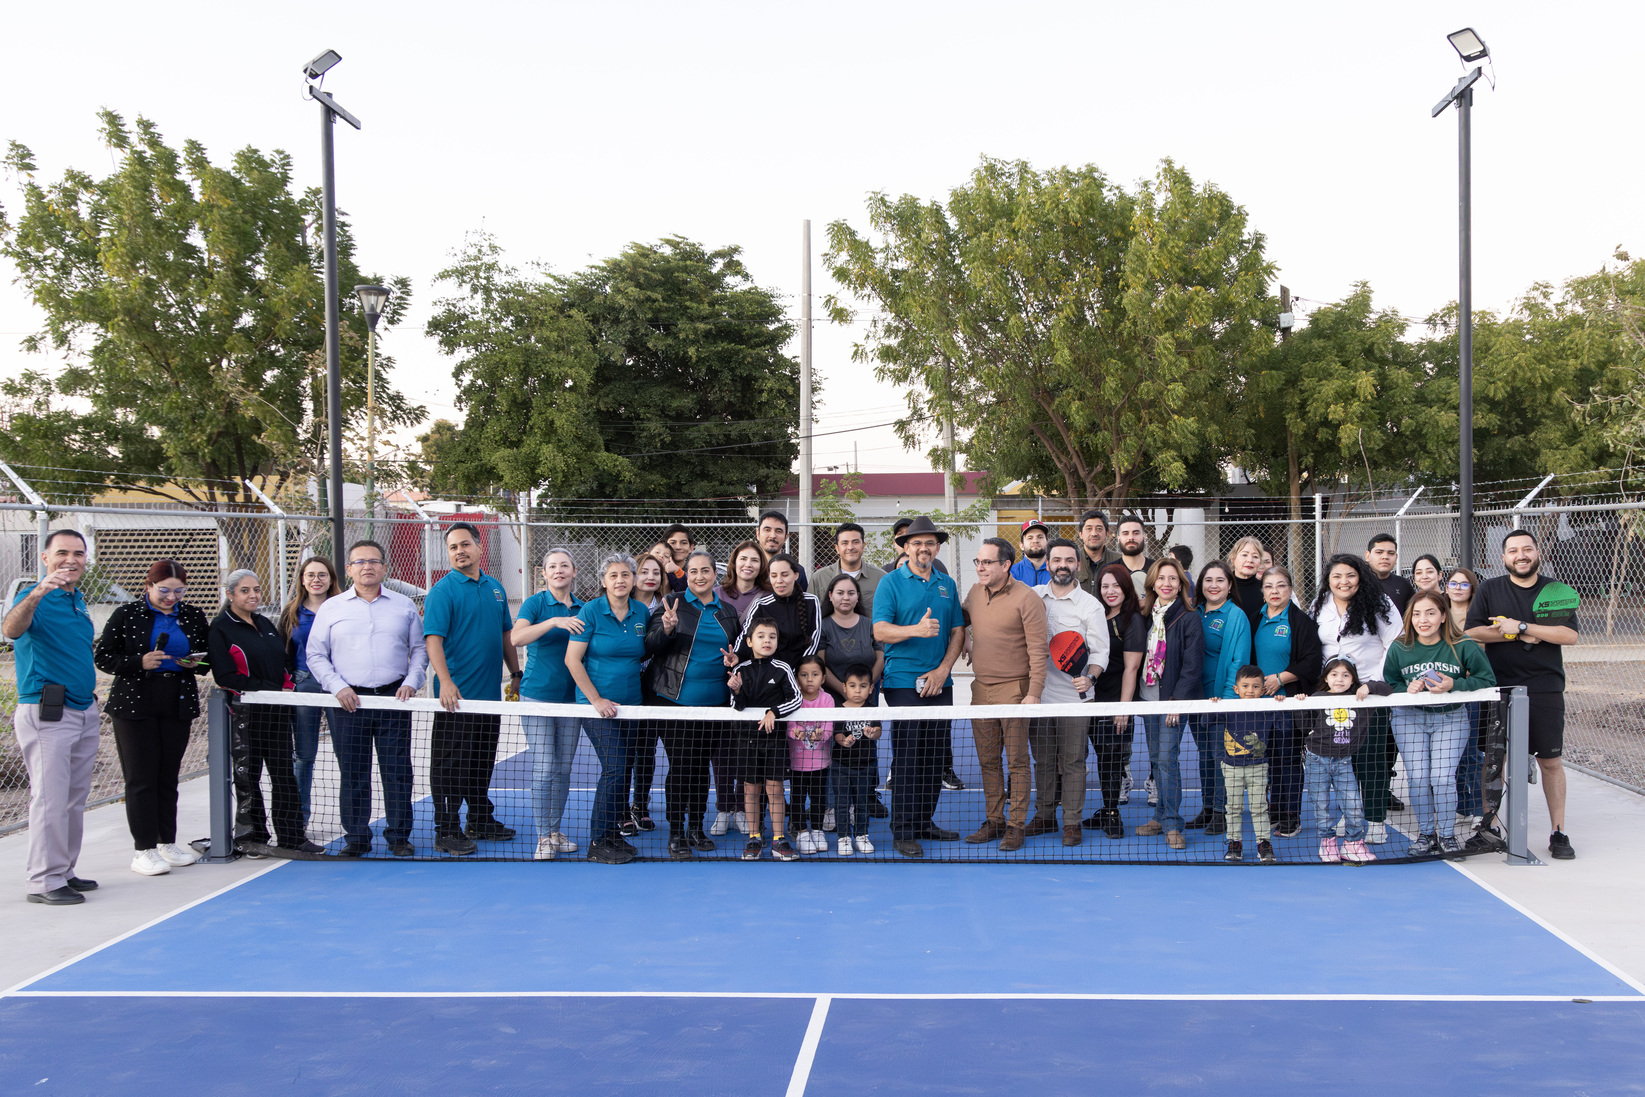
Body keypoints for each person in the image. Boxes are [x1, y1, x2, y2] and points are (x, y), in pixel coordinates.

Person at [305, 540, 427, 858]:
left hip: (393, 700)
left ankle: (399, 836)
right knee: (353, 771)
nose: (367, 566)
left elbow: (419, 651)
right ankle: (357, 838)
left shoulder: (403, 606)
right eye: (359, 562)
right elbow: (315, 654)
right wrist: (338, 688)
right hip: (348, 703)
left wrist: (412, 683)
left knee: (397, 770)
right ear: (348, 570)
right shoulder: (332, 608)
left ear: (384, 568)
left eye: (373, 561)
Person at [1465, 529, 1579, 860]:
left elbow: (1568, 635)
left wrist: (1525, 627)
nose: (1521, 555)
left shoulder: (1555, 591)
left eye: (1527, 549)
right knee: (1493, 761)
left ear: (1537, 553)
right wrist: (1517, 635)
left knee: (1551, 761)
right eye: (1513, 550)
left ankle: (1558, 831)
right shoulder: (1489, 589)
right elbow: (1472, 632)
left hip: (1544, 686)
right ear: (1504, 558)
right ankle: (1491, 827)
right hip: (1498, 686)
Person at [94, 559, 211, 877]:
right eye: (164, 591)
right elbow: (103, 656)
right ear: (148, 587)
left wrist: (194, 664)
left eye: (179, 591)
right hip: (135, 705)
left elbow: (206, 660)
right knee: (141, 778)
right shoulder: (127, 615)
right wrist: (138, 662)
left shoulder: (193, 615)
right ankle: (143, 849)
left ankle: (166, 842)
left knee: (167, 777)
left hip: (177, 702)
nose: (171, 597)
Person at [7, 530, 102, 903]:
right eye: (62, 552)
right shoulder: (35, 597)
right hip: (48, 711)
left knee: (73, 798)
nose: (71, 559)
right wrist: (36, 592)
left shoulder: (76, 599)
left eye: (78, 553)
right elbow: (11, 630)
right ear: (45, 558)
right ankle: (44, 882)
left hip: (82, 708)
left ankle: (63, 869)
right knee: (49, 798)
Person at [424, 522, 521, 856]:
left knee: (481, 761)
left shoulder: (495, 588)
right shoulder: (442, 591)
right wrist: (446, 682)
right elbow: (433, 640)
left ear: (480, 548)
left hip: (489, 698)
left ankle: (479, 818)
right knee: (449, 767)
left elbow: (505, 635)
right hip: (456, 700)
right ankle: (446, 830)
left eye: (464, 545)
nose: (459, 551)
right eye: (452, 547)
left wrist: (516, 672)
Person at [208, 569, 320, 855]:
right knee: (249, 778)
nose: (253, 595)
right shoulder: (221, 628)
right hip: (247, 716)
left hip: (278, 712)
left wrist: (285, 685)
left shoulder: (264, 623)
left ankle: (292, 836)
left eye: (256, 589)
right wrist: (267, 688)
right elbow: (226, 676)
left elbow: (282, 662)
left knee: (284, 775)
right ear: (230, 594)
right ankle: (252, 837)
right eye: (245, 591)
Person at [873, 515, 965, 858]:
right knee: (909, 756)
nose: (923, 548)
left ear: (937, 547)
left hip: (941, 681)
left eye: (929, 543)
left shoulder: (947, 584)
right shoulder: (890, 583)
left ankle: (925, 821)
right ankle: (903, 830)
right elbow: (880, 631)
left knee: (935, 755)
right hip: (902, 682)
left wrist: (943, 670)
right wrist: (915, 630)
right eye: (916, 543)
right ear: (905, 547)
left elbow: (958, 631)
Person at [644, 548, 741, 859]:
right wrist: (668, 629)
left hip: (715, 705)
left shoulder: (727, 612)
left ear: (716, 575)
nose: (700, 576)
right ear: (687, 574)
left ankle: (696, 828)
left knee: (700, 769)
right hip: (674, 701)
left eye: (706, 571)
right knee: (682, 767)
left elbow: (738, 654)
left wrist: (736, 662)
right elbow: (650, 646)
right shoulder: (671, 603)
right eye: (694, 571)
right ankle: (676, 832)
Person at [1386, 590, 1497, 856]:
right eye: (1417, 613)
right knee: (1419, 778)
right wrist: (1407, 688)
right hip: (1409, 718)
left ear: (1444, 616)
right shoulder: (1399, 647)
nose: (1423, 619)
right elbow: (1391, 683)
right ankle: (1426, 835)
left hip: (1450, 718)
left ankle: (1446, 836)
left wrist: (1454, 685)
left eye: (1431, 612)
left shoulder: (1462, 645)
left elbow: (1487, 681)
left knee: (1442, 777)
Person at [960, 537, 1048, 850]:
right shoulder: (973, 593)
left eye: (986, 562)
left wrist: (1033, 691)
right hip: (980, 689)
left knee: (1017, 762)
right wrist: (965, 640)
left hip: (1016, 690)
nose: (980, 567)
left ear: (1005, 565)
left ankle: (1016, 825)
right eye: (978, 562)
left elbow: (1039, 649)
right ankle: (995, 820)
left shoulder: (1027, 599)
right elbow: (963, 621)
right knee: (987, 761)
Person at [1310, 553, 1402, 845]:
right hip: (1332, 697)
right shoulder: (1319, 605)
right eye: (1337, 576)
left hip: (1368, 696)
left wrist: (1373, 683)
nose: (1343, 581)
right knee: (1337, 758)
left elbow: (1395, 642)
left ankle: (1375, 820)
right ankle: (1349, 817)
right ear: (1328, 580)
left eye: (1350, 575)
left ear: (1360, 577)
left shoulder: (1380, 603)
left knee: (1371, 760)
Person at [565, 553, 651, 865]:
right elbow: (572, 660)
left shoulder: (641, 611)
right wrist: (596, 701)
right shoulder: (591, 610)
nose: (620, 580)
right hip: (597, 708)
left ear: (633, 580)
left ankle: (614, 834)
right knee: (614, 767)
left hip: (632, 707)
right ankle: (598, 840)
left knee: (624, 769)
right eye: (613, 575)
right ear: (604, 581)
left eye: (626, 575)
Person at [1028, 538, 1108, 848]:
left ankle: (1072, 822)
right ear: (1047, 563)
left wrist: (1089, 677)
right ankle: (1045, 815)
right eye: (1057, 559)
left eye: (1069, 560)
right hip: (1039, 696)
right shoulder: (1033, 597)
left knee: (1073, 761)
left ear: (1078, 565)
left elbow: (1101, 651)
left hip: (1076, 700)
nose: (1063, 565)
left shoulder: (1091, 605)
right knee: (1044, 761)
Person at [511, 548, 586, 860]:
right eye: (552, 566)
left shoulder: (585, 607)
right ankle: (543, 836)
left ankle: (555, 830)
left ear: (574, 571)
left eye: (564, 566)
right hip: (537, 697)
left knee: (564, 768)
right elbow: (517, 638)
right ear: (544, 573)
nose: (558, 571)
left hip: (572, 700)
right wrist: (554, 621)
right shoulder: (535, 603)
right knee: (544, 767)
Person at [1133, 557, 1203, 850]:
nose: (1166, 583)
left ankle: (1173, 823)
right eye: (1161, 578)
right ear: (1153, 582)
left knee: (1166, 759)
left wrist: (1178, 700)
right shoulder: (1144, 615)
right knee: (1156, 760)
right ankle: (1160, 816)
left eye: (1173, 579)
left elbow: (1192, 665)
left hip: (1172, 701)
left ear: (1181, 584)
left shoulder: (1188, 617)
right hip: (1148, 699)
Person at [1248, 565, 1322, 839]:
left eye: (1281, 585)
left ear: (1290, 589)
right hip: (1260, 704)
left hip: (1288, 701)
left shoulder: (1300, 622)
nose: (1275, 591)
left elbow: (1312, 662)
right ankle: (1275, 810)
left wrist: (1280, 678)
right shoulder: (1255, 619)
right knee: (1267, 759)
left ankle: (1291, 815)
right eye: (1269, 586)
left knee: (1288, 759)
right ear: (1263, 591)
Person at [1293, 656, 1390, 865]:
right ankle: (1327, 842)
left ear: (1353, 678)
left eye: (1346, 675)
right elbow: (1303, 726)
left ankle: (1353, 844)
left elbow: (1388, 689)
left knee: (1354, 804)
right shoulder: (1317, 697)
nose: (1340, 679)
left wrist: (1369, 686)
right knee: (1320, 805)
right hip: (1316, 759)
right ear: (1326, 678)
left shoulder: (1361, 698)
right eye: (1334, 674)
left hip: (1344, 761)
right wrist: (1301, 704)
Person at [729, 617, 803, 861]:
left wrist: (774, 712)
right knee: (750, 791)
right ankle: (754, 837)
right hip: (747, 741)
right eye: (761, 636)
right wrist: (737, 691)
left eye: (771, 636)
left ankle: (778, 839)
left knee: (775, 790)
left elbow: (796, 699)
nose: (767, 640)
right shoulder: (740, 671)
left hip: (775, 742)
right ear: (749, 641)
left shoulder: (782, 669)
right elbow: (736, 707)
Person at [817, 572, 887, 820]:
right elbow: (820, 664)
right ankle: (830, 807)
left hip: (865, 696)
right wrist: (844, 691)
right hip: (834, 698)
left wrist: (866, 688)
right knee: (834, 750)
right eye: (840, 592)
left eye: (851, 592)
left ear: (858, 597)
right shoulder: (823, 625)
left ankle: (862, 802)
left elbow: (880, 657)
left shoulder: (869, 625)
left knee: (864, 745)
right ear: (830, 596)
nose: (845, 597)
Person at [278, 555, 341, 828]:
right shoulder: (291, 612)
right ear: (302, 579)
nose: (316, 580)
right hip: (304, 685)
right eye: (310, 575)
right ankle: (298, 819)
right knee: (304, 755)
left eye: (322, 575)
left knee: (347, 753)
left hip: (340, 687)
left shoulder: (343, 607)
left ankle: (353, 821)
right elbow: (283, 653)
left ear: (331, 579)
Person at [1193, 559, 1251, 837]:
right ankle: (1207, 808)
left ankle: (1221, 812)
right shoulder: (1196, 612)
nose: (1213, 585)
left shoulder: (1236, 615)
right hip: (1195, 698)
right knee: (1205, 755)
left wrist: (1228, 699)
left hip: (1220, 700)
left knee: (1220, 757)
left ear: (1229, 586)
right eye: (1208, 580)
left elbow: (1238, 661)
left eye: (1219, 580)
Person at [1217, 665, 1280, 865]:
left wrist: (1280, 705)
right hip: (1232, 767)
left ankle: (1264, 843)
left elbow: (1285, 725)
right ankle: (1234, 842)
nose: (1250, 691)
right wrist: (1214, 705)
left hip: (1258, 766)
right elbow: (1205, 720)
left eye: (1255, 686)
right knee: (1233, 807)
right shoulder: (1228, 708)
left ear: (1263, 690)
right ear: (1236, 689)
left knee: (1259, 807)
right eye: (1245, 686)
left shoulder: (1268, 709)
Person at [626, 553, 669, 831]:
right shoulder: (621, 605)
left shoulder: (666, 607)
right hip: (625, 686)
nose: (651, 576)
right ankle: (619, 808)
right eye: (644, 571)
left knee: (646, 750)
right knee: (623, 752)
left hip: (654, 688)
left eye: (657, 572)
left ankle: (640, 805)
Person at [1445, 565, 1486, 825]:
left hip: (1470, 691)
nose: (1458, 588)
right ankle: (1461, 805)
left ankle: (1480, 809)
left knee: (1471, 751)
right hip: (1442, 692)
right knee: (1451, 753)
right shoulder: (1436, 613)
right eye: (1453, 583)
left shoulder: (1482, 615)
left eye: (1464, 584)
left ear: (1472, 589)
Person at [734, 554, 821, 671]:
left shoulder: (811, 601)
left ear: (796, 575)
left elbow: (813, 641)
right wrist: (736, 656)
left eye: (784, 575)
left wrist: (797, 672)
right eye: (774, 576)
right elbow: (746, 636)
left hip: (800, 675)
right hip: (769, 674)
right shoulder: (761, 605)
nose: (779, 581)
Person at [831, 666, 882, 854]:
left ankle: (862, 836)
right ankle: (843, 838)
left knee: (862, 802)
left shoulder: (872, 710)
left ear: (871, 689)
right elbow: (837, 734)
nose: (857, 690)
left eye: (863, 686)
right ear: (844, 687)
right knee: (842, 803)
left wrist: (871, 733)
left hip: (865, 765)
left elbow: (878, 732)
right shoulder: (839, 710)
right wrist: (844, 741)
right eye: (853, 686)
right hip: (841, 766)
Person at [788, 654, 835, 854]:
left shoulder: (827, 699)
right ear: (796, 678)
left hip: (820, 763)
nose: (809, 679)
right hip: (797, 763)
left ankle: (817, 831)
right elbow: (789, 725)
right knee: (797, 799)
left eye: (815, 674)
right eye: (804, 675)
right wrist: (794, 732)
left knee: (818, 799)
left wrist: (821, 734)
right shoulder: (793, 699)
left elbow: (829, 726)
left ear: (823, 678)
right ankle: (802, 833)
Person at [810, 522, 887, 619]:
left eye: (855, 542)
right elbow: (810, 614)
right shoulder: (819, 578)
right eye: (845, 543)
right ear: (837, 548)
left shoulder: (880, 578)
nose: (850, 547)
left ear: (863, 546)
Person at [719, 539, 771, 623]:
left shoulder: (769, 596)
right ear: (734, 562)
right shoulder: (717, 594)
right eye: (743, 559)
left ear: (761, 565)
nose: (748, 565)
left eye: (754, 560)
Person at [756, 510, 809, 591]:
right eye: (767, 530)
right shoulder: (749, 569)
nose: (772, 536)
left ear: (786, 537)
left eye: (778, 531)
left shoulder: (797, 570)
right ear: (758, 534)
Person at [1365, 533, 1415, 616]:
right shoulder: (1357, 583)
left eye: (1391, 553)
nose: (1385, 557)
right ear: (1367, 555)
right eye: (1379, 552)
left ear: (1396, 557)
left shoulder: (1403, 585)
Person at [1075, 509, 1122, 597]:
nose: (1094, 533)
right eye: (1089, 529)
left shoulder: (1119, 561)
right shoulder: (1072, 560)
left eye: (1099, 529)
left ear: (1107, 533)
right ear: (1080, 534)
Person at [1225, 536, 1267, 632]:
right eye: (1244, 555)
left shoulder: (1266, 589)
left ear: (1260, 562)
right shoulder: (1223, 587)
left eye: (1255, 556)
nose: (1250, 560)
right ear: (1233, 559)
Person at [1115, 515, 1155, 599]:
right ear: (1119, 539)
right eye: (1125, 533)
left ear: (1144, 537)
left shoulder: (1157, 569)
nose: (1131, 538)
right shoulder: (1109, 570)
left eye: (1136, 533)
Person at [1009, 519, 1052, 587]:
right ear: (1022, 545)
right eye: (1030, 538)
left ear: (1047, 543)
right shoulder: (1011, 573)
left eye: (1040, 537)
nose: (1035, 541)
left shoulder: (1056, 571)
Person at [661, 523, 694, 592]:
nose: (678, 547)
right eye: (673, 543)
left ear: (691, 548)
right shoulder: (657, 571)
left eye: (684, 543)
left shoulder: (695, 572)